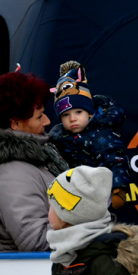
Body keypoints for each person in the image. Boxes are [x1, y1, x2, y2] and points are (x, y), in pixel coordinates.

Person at [0, 71, 69, 252]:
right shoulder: (10, 172)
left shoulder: (30, 158)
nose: (47, 121)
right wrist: (88, 223)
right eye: (39, 116)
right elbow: (36, 242)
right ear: (15, 123)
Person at [48, 61, 130, 209]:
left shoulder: (101, 134)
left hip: (97, 196)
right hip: (69, 198)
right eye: (66, 115)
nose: (72, 119)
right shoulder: (56, 138)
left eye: (78, 112)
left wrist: (119, 189)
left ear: (90, 113)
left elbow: (116, 159)